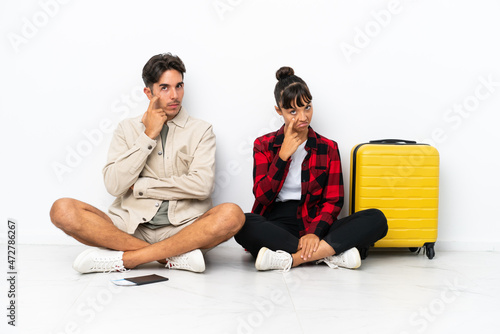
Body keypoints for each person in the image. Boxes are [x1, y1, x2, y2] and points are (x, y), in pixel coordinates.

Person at [50, 53, 245, 274]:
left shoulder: (201, 131)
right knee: (62, 210)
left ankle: (127, 259)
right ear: (148, 92)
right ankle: (170, 258)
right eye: (164, 88)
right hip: (129, 228)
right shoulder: (127, 129)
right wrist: (148, 135)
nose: (174, 95)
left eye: (179, 86)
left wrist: (143, 187)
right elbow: (114, 185)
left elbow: (202, 186)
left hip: (184, 230)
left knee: (233, 214)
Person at [234, 66, 388, 272]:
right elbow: (262, 197)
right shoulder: (263, 145)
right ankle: (329, 253)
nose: (303, 117)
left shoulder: (328, 147)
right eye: (292, 111)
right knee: (243, 224)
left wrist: (314, 233)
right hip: (279, 223)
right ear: (279, 111)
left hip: (317, 220)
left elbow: (333, 201)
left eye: (307, 107)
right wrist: (282, 157)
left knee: (376, 219)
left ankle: (292, 259)